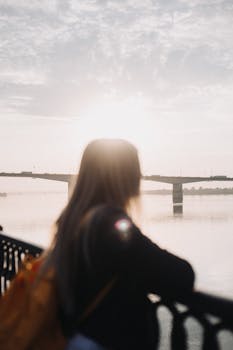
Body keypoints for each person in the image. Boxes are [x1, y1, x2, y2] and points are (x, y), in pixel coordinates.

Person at [43, 139, 195, 350]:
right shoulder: (109, 224)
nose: (140, 176)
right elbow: (180, 275)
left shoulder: (73, 222)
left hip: (77, 337)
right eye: (135, 169)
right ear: (122, 175)